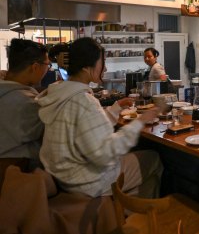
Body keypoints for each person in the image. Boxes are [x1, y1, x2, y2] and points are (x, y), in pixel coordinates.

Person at [37, 38, 163, 198]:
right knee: (153, 158)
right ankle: (137, 215)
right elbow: (105, 153)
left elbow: (88, 127)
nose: (105, 68)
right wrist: (140, 121)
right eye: (102, 62)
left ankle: (118, 211)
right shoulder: (83, 100)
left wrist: (116, 107)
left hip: (63, 176)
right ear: (86, 67)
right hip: (87, 181)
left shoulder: (60, 92)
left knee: (134, 155)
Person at [0, 39, 48, 171]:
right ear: (35, 67)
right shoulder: (27, 104)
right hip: (15, 173)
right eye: (47, 65)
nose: (47, 69)